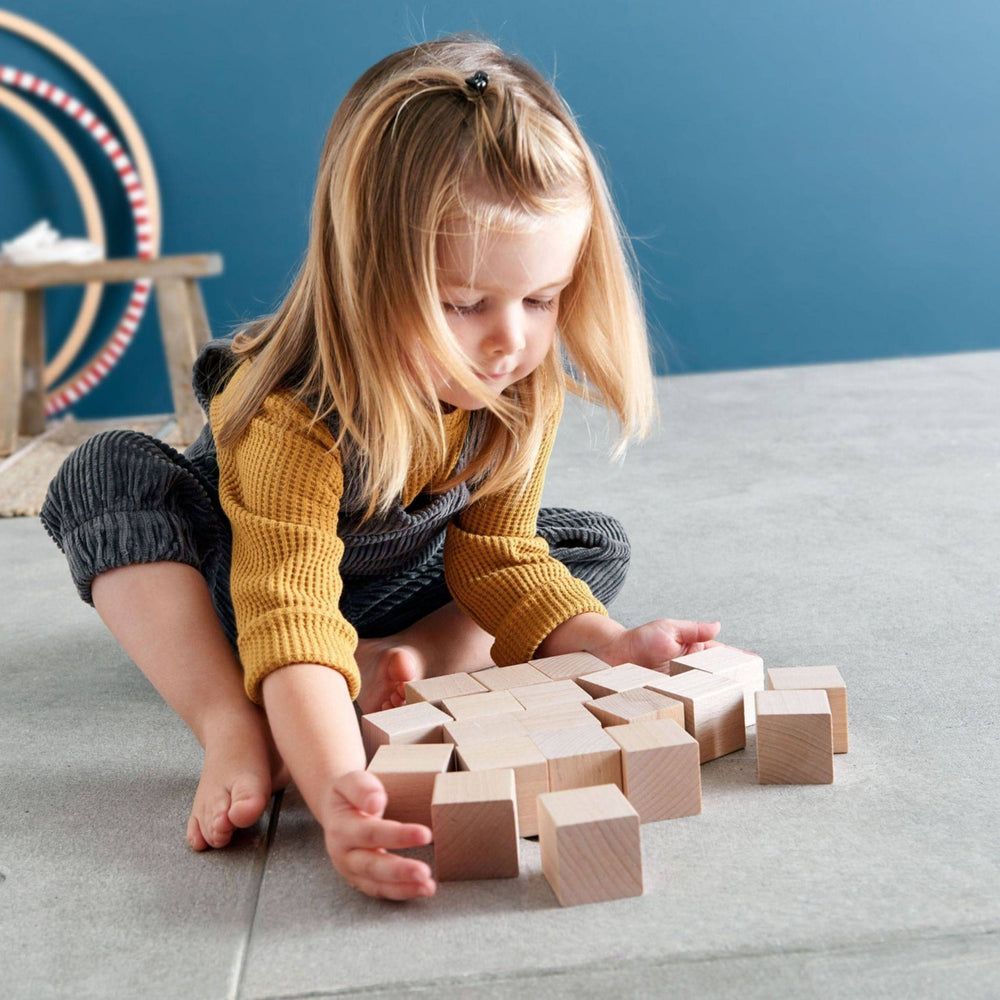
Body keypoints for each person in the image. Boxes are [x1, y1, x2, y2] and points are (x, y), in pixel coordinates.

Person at [39, 33, 721, 901]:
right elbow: (285, 605)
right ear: (368, 279)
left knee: (586, 547)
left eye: (542, 300)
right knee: (107, 473)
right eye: (464, 305)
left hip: (391, 582)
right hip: (243, 583)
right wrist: (337, 799)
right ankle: (232, 718)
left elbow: (499, 557)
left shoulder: (517, 384)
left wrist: (607, 647)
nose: (510, 340)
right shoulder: (296, 410)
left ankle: (391, 661)